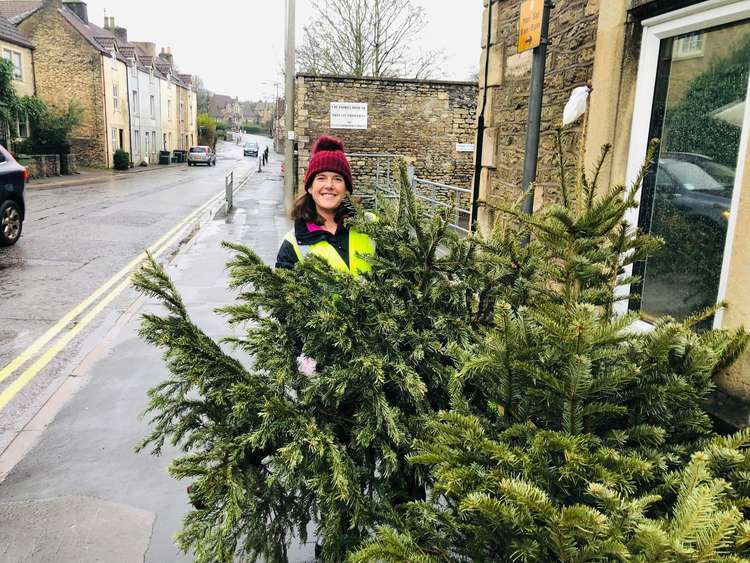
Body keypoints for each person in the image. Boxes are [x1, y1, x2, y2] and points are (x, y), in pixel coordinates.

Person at [275, 136, 374, 274]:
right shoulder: (292, 245)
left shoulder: (372, 226)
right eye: (321, 178)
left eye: (337, 179)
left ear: (346, 189)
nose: (329, 185)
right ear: (310, 187)